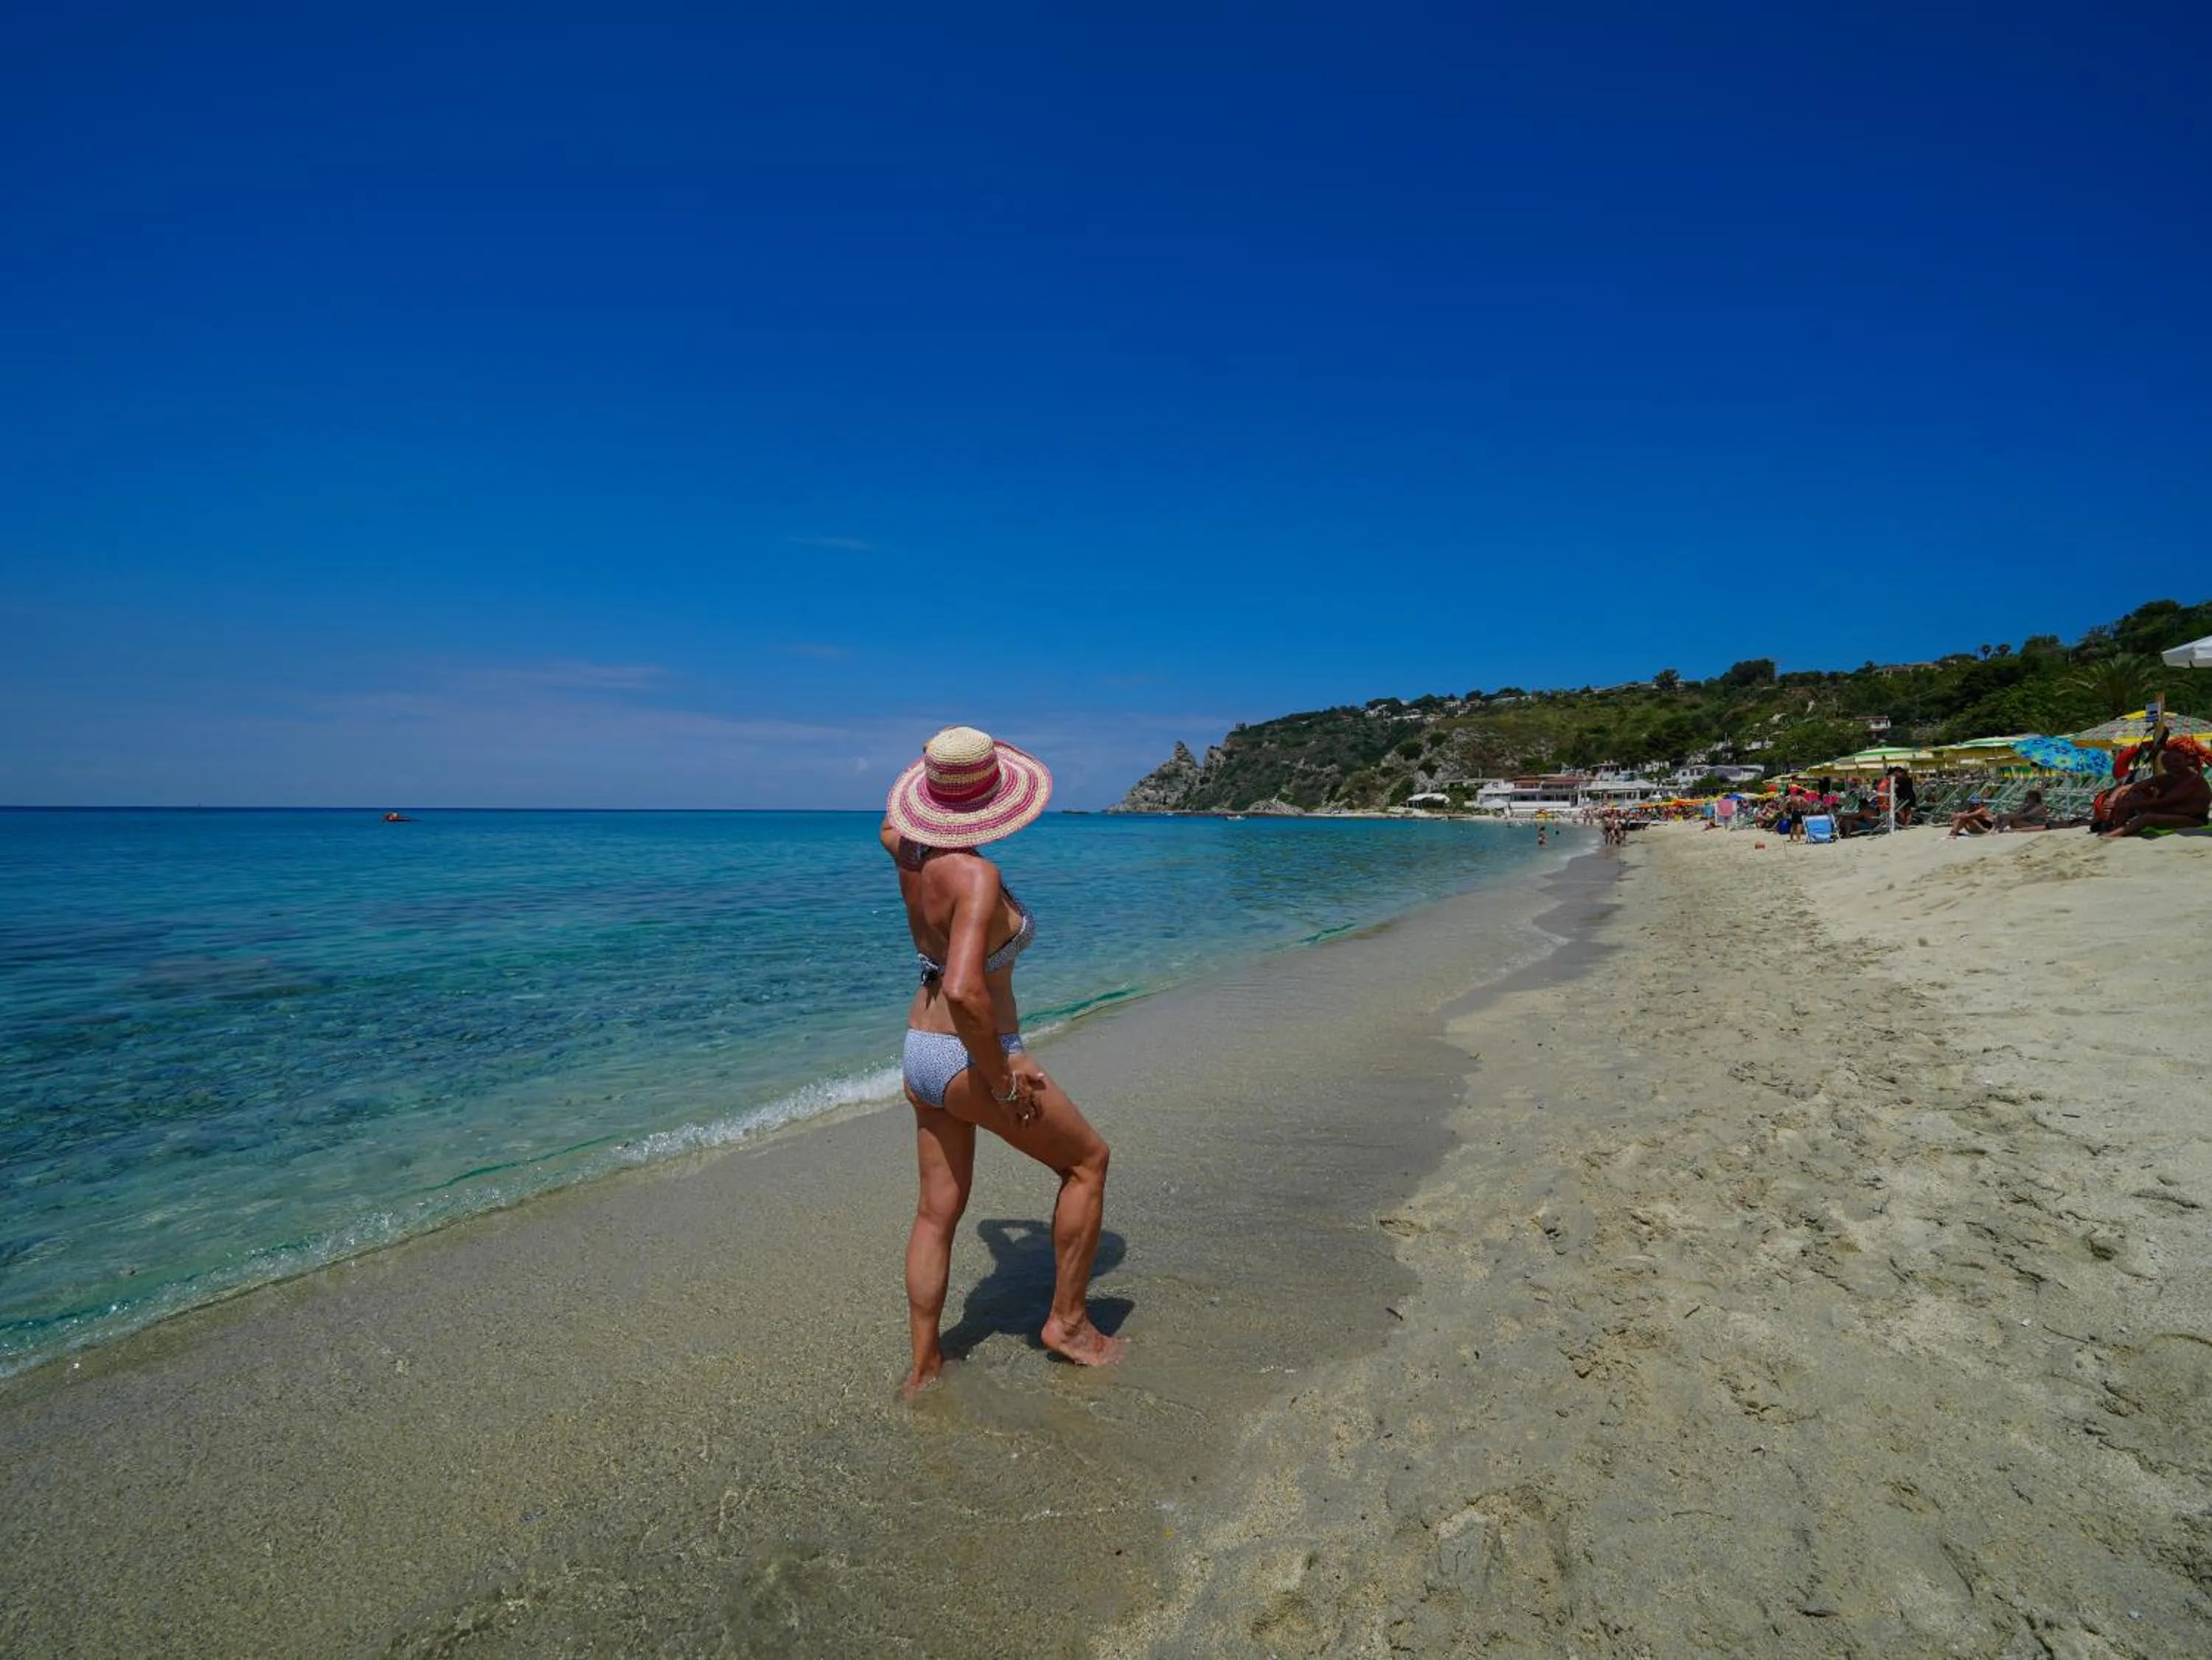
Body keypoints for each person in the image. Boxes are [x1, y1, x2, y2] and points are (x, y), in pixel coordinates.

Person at [883, 725, 1124, 1395]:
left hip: (919, 1051)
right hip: (970, 1056)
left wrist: (936, 773)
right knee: (1087, 1163)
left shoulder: (908, 854)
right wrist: (1002, 1075)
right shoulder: (977, 876)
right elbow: (964, 988)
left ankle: (925, 1364)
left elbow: (888, 822)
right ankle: (1069, 1325)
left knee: (937, 1211)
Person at [2098, 747, 2211, 839]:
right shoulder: (2166, 778)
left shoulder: (2194, 781)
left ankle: (2114, 834)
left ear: (2187, 761)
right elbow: (2129, 787)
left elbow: (2163, 802)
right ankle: (2117, 827)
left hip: (2192, 818)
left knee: (2148, 817)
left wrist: (2127, 805)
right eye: (2168, 763)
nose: (2173, 765)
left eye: (2177, 761)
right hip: (2169, 812)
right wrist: (2111, 802)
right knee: (2131, 795)